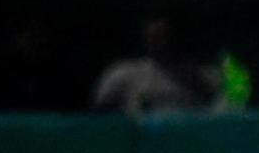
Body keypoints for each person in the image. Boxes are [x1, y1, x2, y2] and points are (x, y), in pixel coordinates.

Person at [89, 15, 223, 117]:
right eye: (153, 38)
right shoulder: (122, 73)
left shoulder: (205, 75)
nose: (159, 44)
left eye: (164, 37)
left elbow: (227, 109)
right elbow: (100, 115)